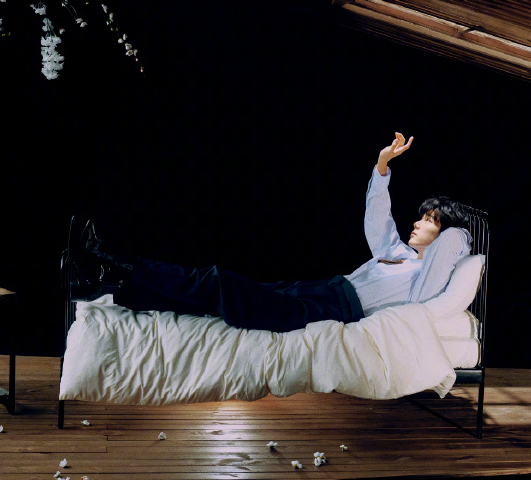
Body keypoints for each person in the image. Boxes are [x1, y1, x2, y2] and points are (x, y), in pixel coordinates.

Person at [70, 132, 472, 332]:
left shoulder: (424, 280)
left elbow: (457, 243)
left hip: (331, 311)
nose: (417, 222)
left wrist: (460, 226)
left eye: (430, 220)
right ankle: (111, 287)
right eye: (423, 216)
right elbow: (377, 218)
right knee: (213, 298)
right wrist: (382, 165)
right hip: (322, 289)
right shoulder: (400, 254)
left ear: (444, 236)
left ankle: (114, 261)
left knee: (216, 284)